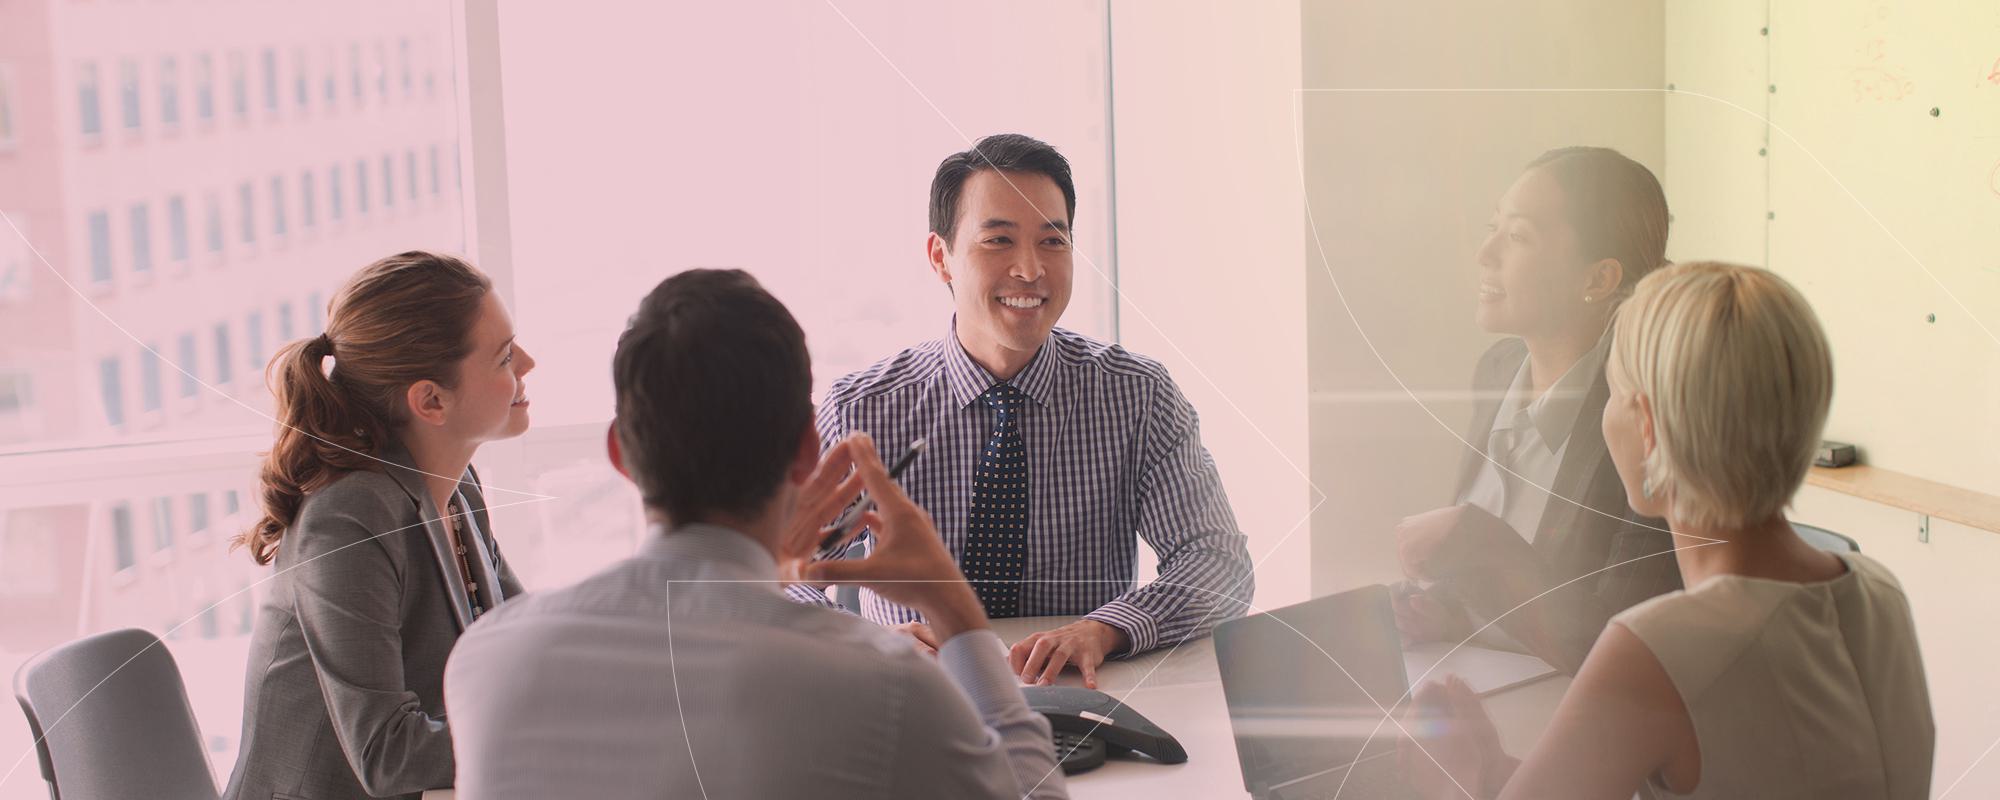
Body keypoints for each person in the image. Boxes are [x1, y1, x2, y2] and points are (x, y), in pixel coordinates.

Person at [445, 269, 1068, 799]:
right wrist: (955, 607)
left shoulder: (483, 660)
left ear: (620, 454)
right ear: (806, 451)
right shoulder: (882, 685)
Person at [1403, 262, 1935, 799]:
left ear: (1648, 426)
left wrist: (1459, 782)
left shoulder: (1654, 649)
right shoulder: (1881, 592)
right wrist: (1495, 768)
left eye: (1610, 395)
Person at [787, 133, 1254, 688]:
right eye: (999, 241)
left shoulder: (1138, 396)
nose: (1030, 270)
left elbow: (1219, 563)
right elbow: (779, 581)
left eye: (1053, 243)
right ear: (942, 258)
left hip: (1080, 698)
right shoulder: (862, 410)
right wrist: (863, 641)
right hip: (910, 701)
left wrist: (1107, 629)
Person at [224, 252, 533, 800]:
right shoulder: (348, 517)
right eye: (504, 357)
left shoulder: (457, 489)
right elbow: (386, 754)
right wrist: (555, 731)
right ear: (431, 400)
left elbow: (522, 644)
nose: (528, 364)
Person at [1393, 147, 1684, 674]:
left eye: (1518, 236)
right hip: (1485, 696)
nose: (1485, 252)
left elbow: (1621, 652)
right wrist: (1449, 611)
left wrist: (1481, 542)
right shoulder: (1498, 369)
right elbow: (1508, 598)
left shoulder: (1651, 417)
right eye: (1492, 227)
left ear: (1597, 280)